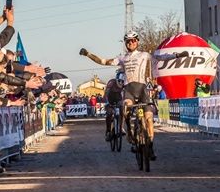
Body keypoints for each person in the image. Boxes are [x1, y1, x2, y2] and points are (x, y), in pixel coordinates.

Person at [80, 31, 188, 160]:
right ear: (125, 43)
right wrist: (88, 54)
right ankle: (130, 133)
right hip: (129, 90)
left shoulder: (145, 55)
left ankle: (151, 147)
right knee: (125, 107)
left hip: (142, 89)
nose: (131, 43)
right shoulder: (122, 58)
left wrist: (178, 55)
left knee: (148, 119)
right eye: (128, 41)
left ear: (137, 41)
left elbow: (161, 57)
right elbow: (103, 61)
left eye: (133, 40)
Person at [103, 71, 125, 141]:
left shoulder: (125, 83)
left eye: (122, 81)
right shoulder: (111, 82)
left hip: (118, 98)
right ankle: (108, 131)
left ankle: (121, 127)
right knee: (109, 113)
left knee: (122, 111)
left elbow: (126, 93)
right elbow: (106, 93)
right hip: (110, 98)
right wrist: (107, 103)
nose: (121, 83)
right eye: (119, 81)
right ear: (116, 79)